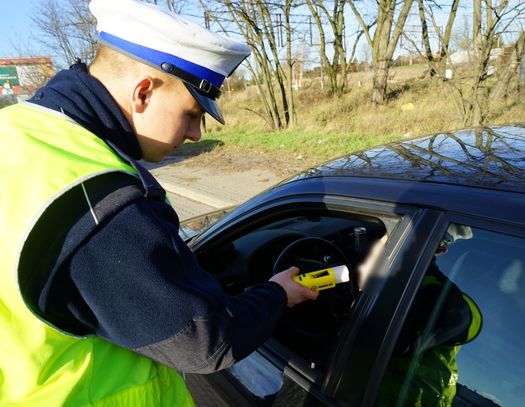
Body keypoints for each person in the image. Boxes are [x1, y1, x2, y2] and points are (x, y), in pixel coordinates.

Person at [0, 0, 318, 405]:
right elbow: (204, 342)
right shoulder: (103, 201)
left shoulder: (16, 131)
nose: (195, 134)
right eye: (191, 113)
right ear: (144, 92)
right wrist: (276, 294)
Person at [358, 226, 481, 406]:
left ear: (440, 249)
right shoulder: (407, 277)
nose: (383, 245)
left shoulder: (440, 297)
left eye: (391, 237)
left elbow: (384, 343)